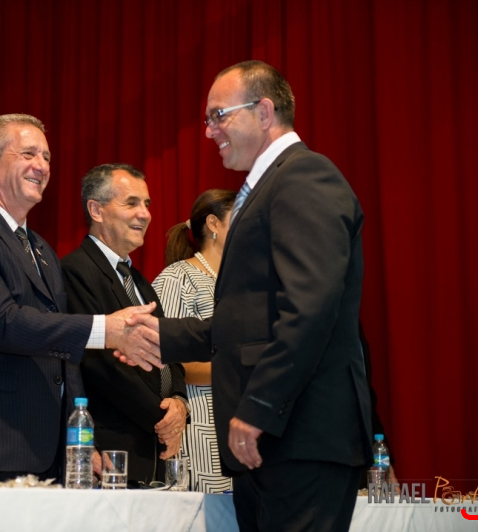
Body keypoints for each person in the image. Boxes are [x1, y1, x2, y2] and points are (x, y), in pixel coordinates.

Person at [121, 61, 372, 531]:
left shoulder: (304, 177)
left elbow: (309, 308)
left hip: (297, 438)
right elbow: (250, 319)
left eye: (219, 115)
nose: (209, 131)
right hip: (271, 445)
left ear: (264, 111)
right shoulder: (268, 187)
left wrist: (259, 407)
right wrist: (161, 336)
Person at [0, 115, 158, 482]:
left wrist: (82, 437)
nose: (42, 166)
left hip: (51, 450)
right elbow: (5, 323)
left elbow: (64, 357)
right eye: (28, 154)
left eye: (47, 157)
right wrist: (107, 330)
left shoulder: (42, 250)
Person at [61, 163, 188, 486]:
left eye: (146, 204)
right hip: (110, 448)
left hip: (152, 448)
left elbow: (169, 350)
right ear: (96, 210)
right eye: (131, 203)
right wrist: (162, 419)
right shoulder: (75, 271)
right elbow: (99, 364)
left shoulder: (140, 282)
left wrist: (179, 401)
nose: (145, 214)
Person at [151, 188, 235, 493]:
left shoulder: (245, 283)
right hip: (199, 427)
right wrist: (242, 371)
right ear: (213, 223)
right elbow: (169, 362)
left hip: (243, 428)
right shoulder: (178, 278)